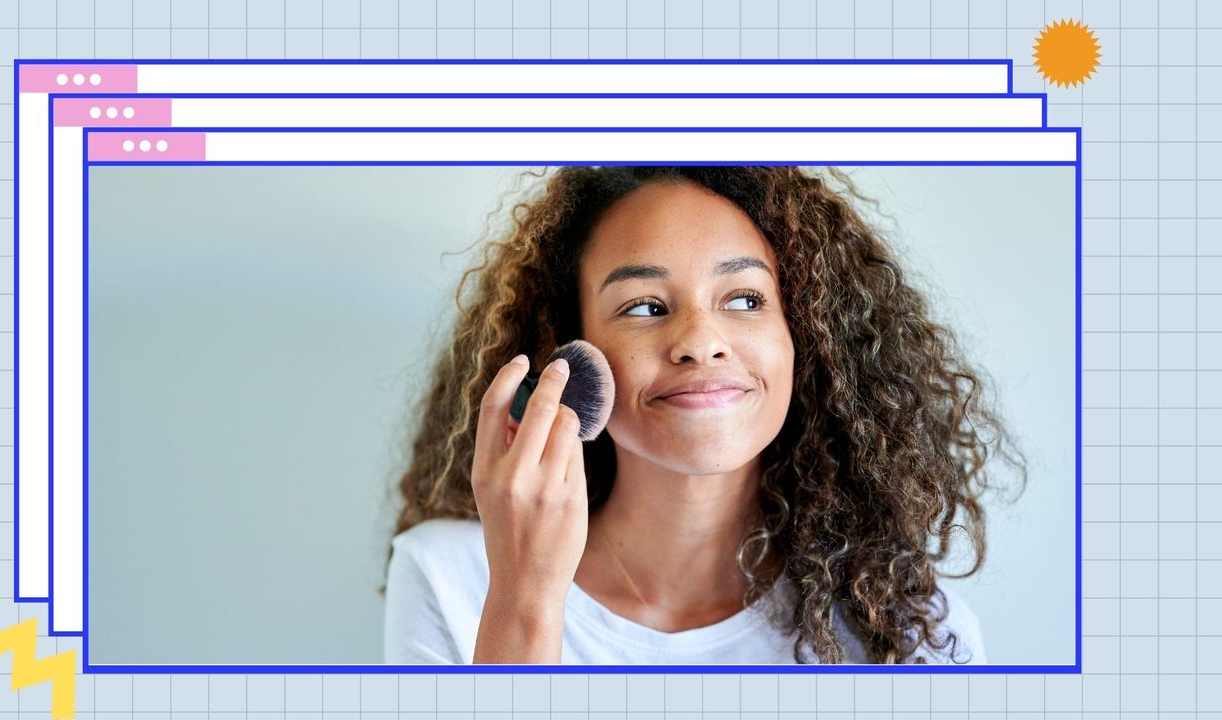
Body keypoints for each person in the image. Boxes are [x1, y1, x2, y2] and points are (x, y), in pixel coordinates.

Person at [382, 166, 1025, 664]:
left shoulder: (906, 629)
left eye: (745, 298)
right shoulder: (450, 576)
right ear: (569, 354)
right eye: (643, 306)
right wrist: (527, 597)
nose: (700, 339)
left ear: (807, 337)